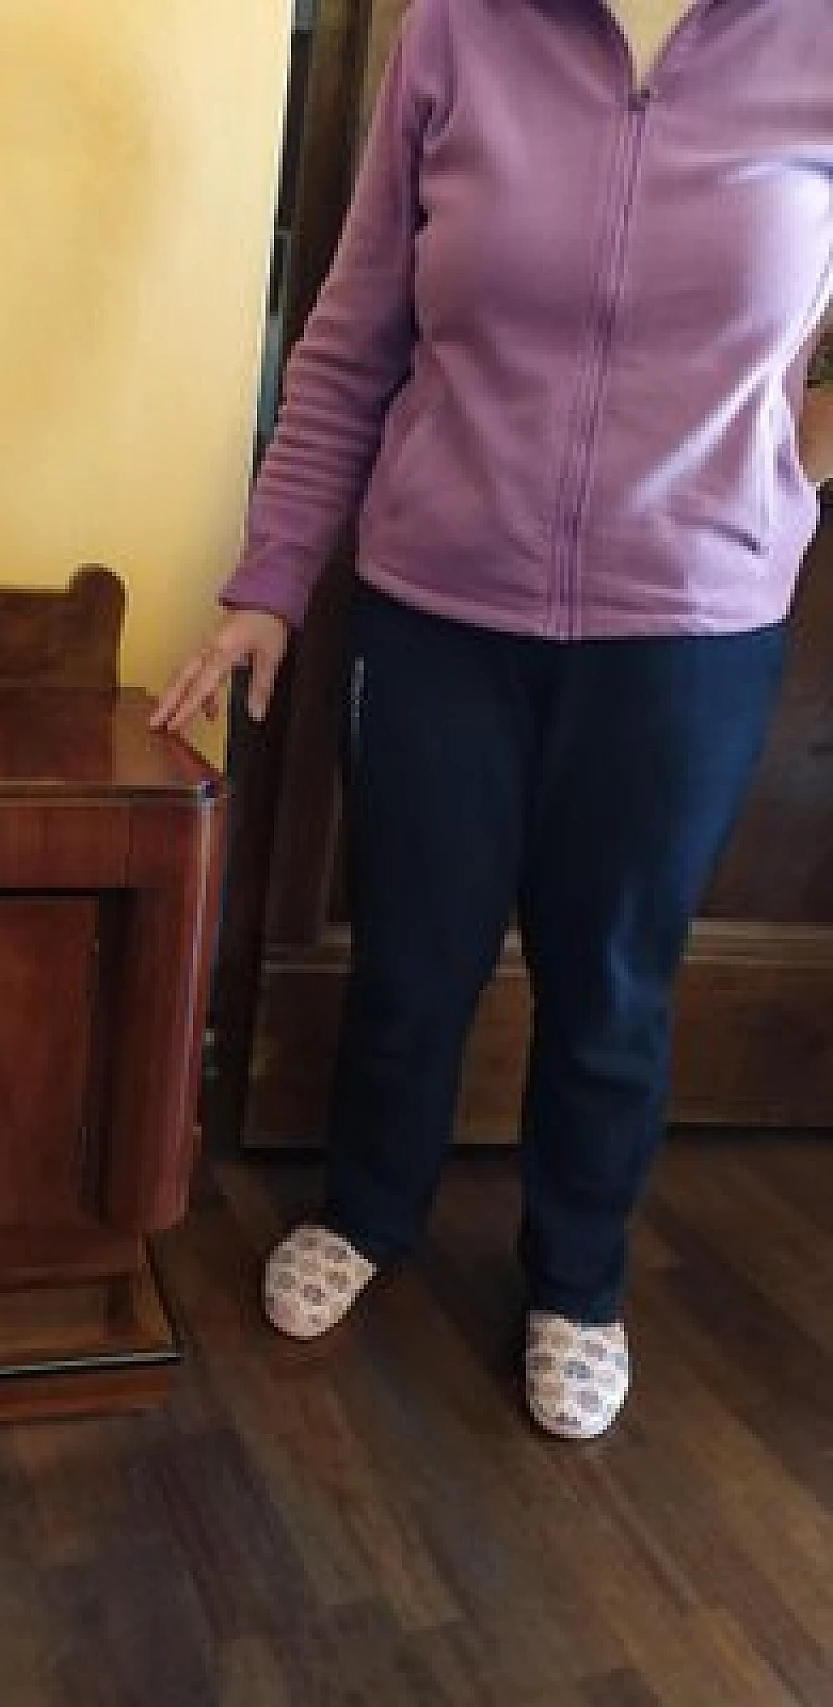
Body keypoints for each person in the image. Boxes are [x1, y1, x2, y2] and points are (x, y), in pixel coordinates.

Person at [152, 0, 833, 1439]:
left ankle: (578, 1280)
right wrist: (271, 580)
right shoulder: (456, 29)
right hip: (437, 610)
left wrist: (790, 471)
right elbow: (349, 343)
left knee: (613, 982)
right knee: (413, 953)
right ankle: (371, 1207)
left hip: (689, 627)